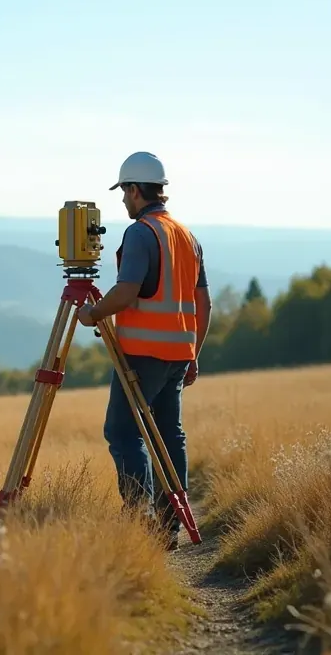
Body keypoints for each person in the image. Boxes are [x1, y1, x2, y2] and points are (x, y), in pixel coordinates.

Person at [75, 151, 212, 549]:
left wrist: (92, 314)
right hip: (178, 353)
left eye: (124, 193)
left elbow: (126, 291)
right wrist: (193, 353)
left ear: (135, 190)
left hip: (143, 353)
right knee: (170, 434)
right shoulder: (187, 236)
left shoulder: (140, 233)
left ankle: (143, 519)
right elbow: (204, 304)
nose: (122, 201)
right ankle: (170, 520)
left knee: (122, 431)